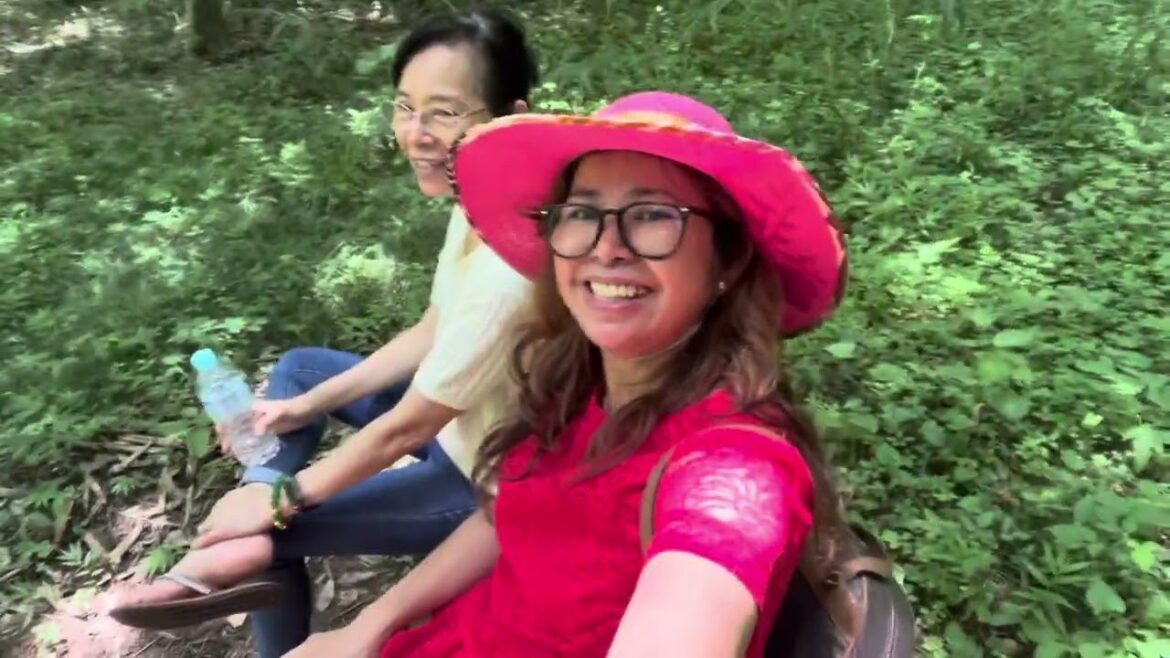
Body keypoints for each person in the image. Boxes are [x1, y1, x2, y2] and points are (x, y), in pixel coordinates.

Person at [282, 90, 850, 658]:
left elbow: (706, 562)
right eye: (581, 213)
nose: (606, 249)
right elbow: (506, 521)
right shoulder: (582, 388)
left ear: (727, 260)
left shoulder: (734, 464)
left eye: (652, 215)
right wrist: (370, 625)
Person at [105, 9, 540, 658]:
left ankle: (253, 566)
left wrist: (282, 501)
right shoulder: (478, 201)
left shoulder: (511, 268)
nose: (415, 133)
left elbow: (406, 428)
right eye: (405, 107)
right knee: (304, 370)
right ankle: (252, 505)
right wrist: (296, 413)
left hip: (483, 481)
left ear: (510, 115)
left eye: (444, 112)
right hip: (457, 422)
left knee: (266, 539)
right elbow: (430, 329)